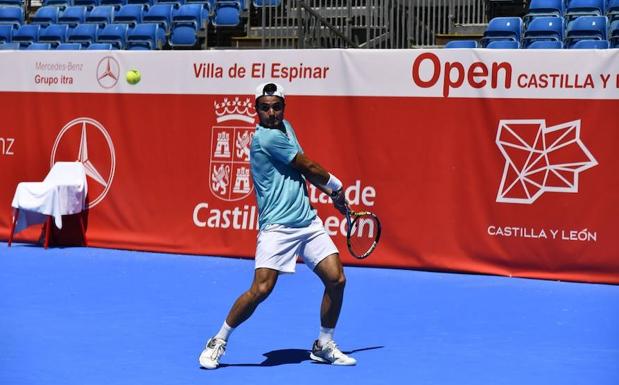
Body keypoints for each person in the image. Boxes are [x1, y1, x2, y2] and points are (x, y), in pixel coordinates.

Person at [198, 82, 357, 369]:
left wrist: (331, 196)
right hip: (277, 227)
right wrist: (337, 188)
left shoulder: (287, 128)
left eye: (276, 107)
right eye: (265, 107)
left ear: (283, 107)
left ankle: (323, 344)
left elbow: (302, 171)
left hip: (307, 222)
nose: (271, 112)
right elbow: (309, 167)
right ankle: (218, 340)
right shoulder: (266, 138)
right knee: (261, 289)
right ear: (256, 109)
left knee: (336, 279)